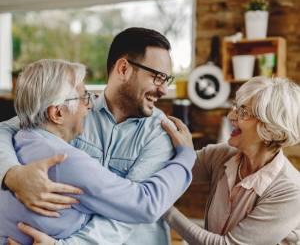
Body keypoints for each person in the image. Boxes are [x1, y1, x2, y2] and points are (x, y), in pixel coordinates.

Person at [0, 27, 184, 244]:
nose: (163, 90)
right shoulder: (73, 110)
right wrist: (12, 173)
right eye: (157, 77)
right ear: (123, 68)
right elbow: (10, 127)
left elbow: (132, 210)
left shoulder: (162, 132)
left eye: (166, 80)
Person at [163, 76, 300, 245]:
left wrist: (163, 208)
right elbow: (169, 169)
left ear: (271, 130)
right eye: (235, 108)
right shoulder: (221, 155)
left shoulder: (290, 191)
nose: (230, 116)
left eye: (243, 112)